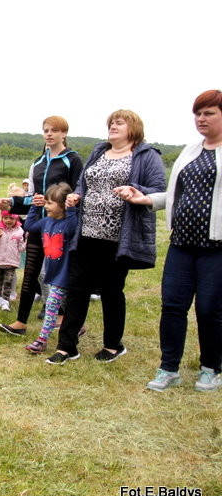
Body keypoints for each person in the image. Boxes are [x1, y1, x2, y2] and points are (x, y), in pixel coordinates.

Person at [117, 90, 222, 391]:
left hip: (216, 247)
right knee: (173, 306)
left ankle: (211, 368)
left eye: (209, 113)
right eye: (198, 113)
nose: (201, 119)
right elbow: (177, 196)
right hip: (182, 244)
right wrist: (145, 198)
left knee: (209, 309)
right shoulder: (191, 151)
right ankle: (168, 367)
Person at [45, 109, 166, 365]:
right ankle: (67, 347)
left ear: (133, 128)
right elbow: (83, 183)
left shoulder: (146, 155)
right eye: (111, 123)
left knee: (111, 291)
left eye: (119, 123)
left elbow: (158, 190)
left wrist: (135, 190)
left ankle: (113, 345)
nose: (112, 126)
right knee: (77, 289)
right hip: (87, 232)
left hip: (119, 237)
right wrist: (76, 195)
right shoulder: (99, 151)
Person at [0, 116, 84, 336]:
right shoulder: (37, 163)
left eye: (54, 130)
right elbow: (32, 196)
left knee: (59, 276)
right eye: (46, 130)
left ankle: (68, 320)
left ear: (64, 133)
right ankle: (20, 322)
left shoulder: (72, 160)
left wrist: (69, 211)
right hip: (39, 226)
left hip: (62, 228)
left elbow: (79, 192)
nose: (49, 134)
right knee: (31, 273)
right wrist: (12, 202)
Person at [21, 183, 77, 354]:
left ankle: (42, 340)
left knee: (52, 306)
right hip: (53, 273)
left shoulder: (67, 224)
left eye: (50, 203)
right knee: (67, 305)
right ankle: (78, 326)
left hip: (64, 274)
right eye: (45, 202)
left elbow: (73, 228)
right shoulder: (46, 222)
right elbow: (29, 226)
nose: (46, 206)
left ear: (62, 205)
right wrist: (35, 207)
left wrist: (71, 209)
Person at [0, 211, 25, 312]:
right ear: (2, 218)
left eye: (11, 218)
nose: (8, 220)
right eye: (6, 218)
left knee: (8, 281)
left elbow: (20, 248)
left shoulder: (20, 231)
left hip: (11, 262)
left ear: (16, 219)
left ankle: (5, 301)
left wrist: (27, 243)